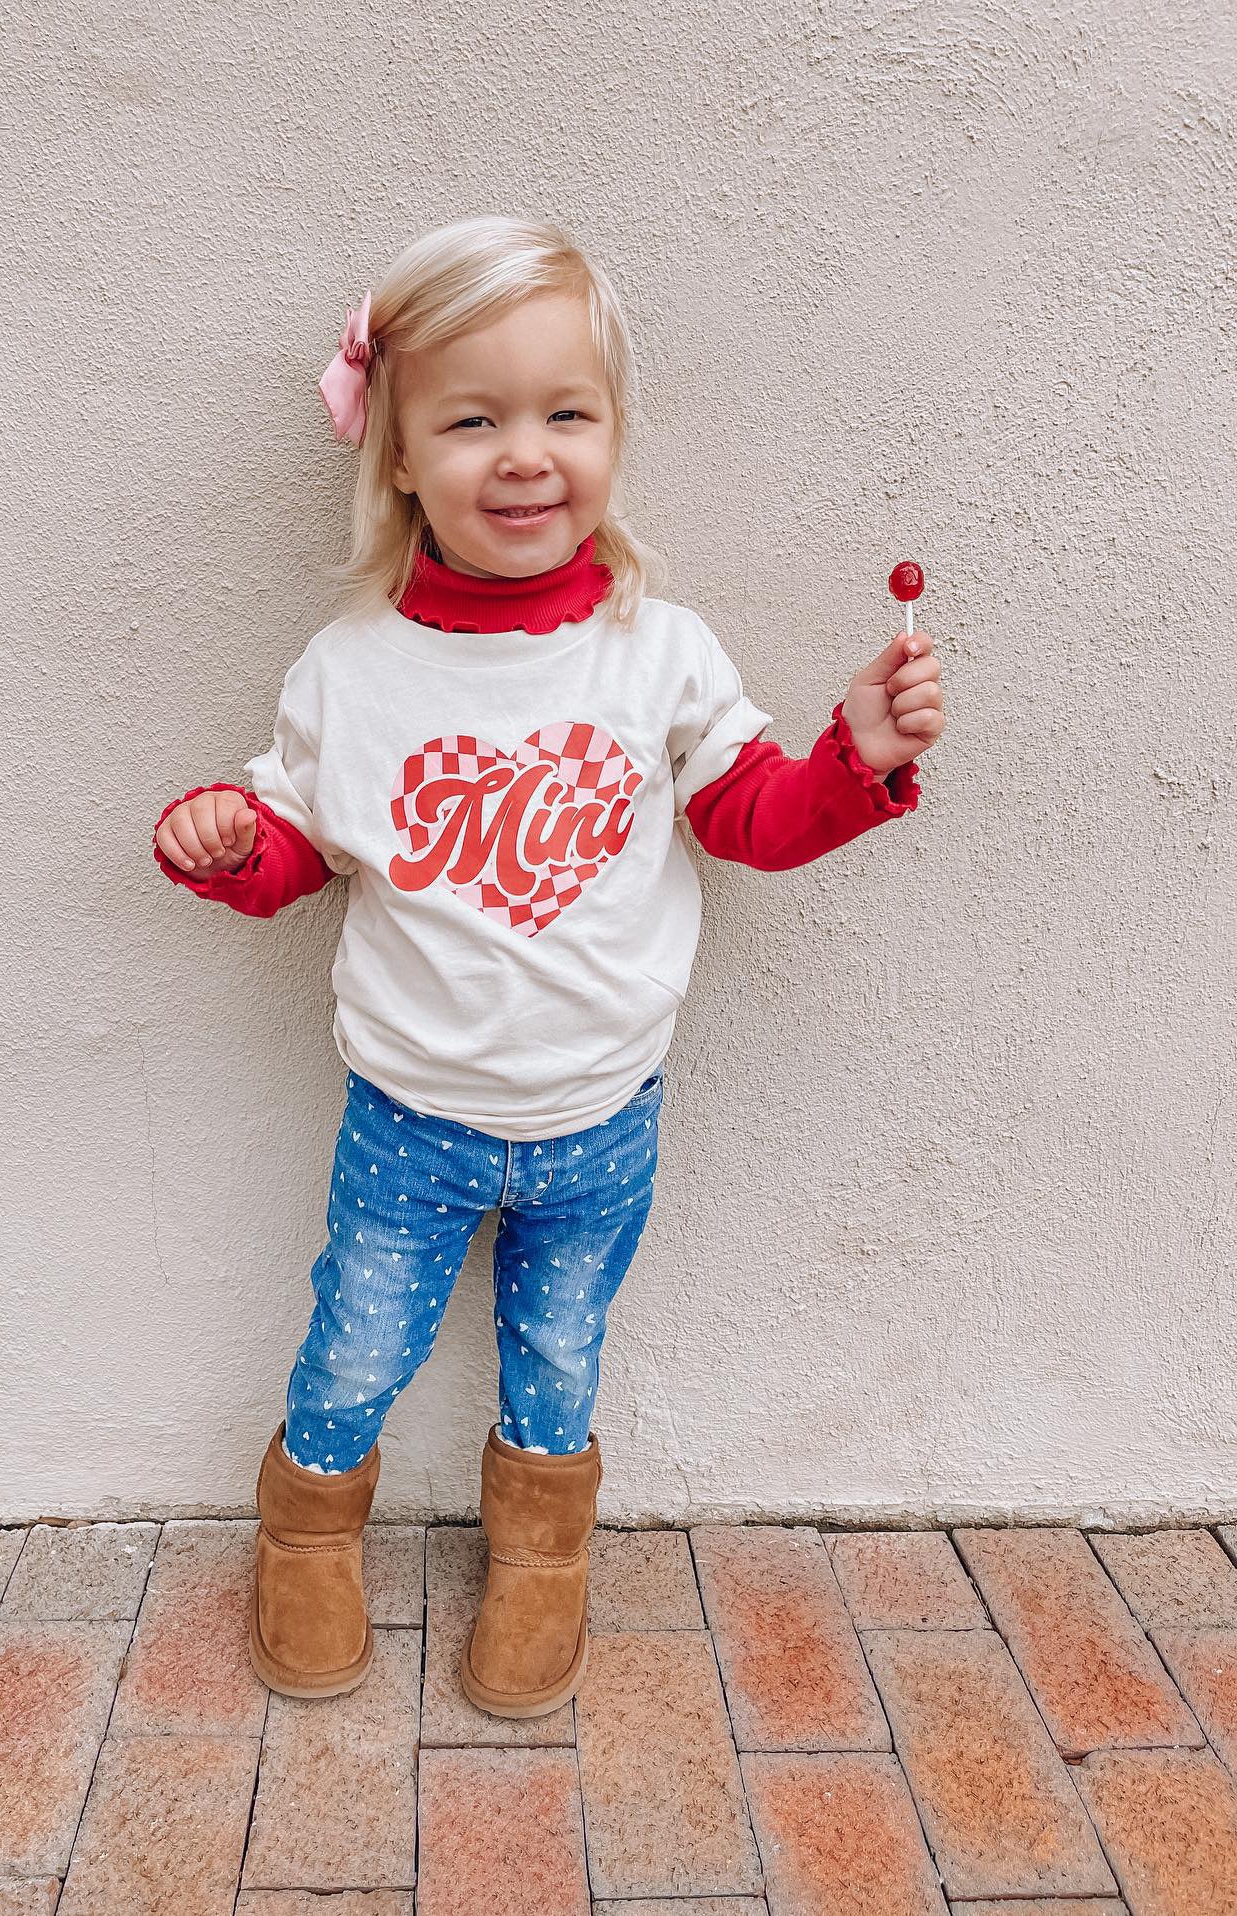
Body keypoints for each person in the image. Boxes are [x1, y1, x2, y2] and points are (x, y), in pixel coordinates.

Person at [151, 215, 945, 1719]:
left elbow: (751, 819)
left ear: (612, 436)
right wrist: (222, 844)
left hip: (602, 1122)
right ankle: (309, 1530)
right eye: (474, 419)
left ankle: (542, 1564)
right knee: (355, 1345)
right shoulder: (353, 665)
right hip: (409, 1120)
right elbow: (295, 843)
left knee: (558, 1357)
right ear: (395, 451)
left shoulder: (659, 648)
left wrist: (855, 760)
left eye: (565, 414)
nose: (526, 455)